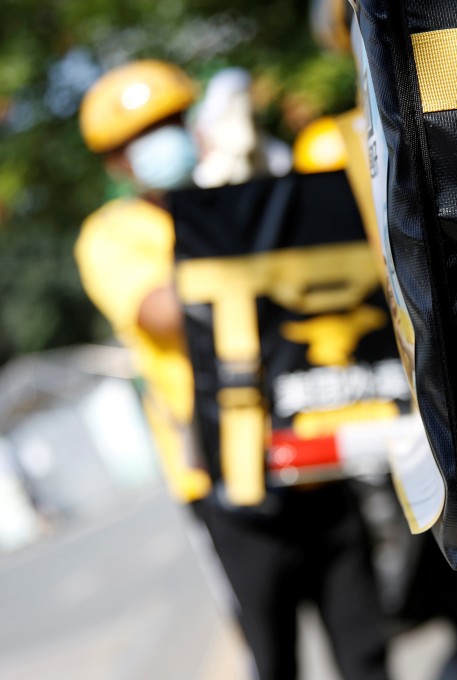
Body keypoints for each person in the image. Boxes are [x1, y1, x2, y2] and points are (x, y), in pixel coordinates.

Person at [75, 58, 391, 680]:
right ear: (117, 162)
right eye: (140, 136)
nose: (161, 140)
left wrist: (256, 192)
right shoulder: (111, 236)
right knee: (272, 657)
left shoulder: (246, 193)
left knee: (365, 646)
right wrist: (227, 226)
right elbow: (165, 314)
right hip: (225, 482)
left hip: (310, 452)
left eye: (170, 122)